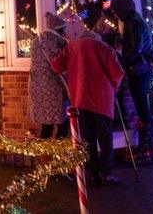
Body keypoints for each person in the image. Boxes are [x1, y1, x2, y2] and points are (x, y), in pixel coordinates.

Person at [51, 13, 125, 186]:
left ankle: (92, 174)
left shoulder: (72, 47)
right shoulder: (104, 48)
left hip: (80, 99)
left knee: (87, 138)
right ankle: (106, 173)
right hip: (102, 99)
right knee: (105, 137)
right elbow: (118, 73)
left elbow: (56, 66)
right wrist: (115, 88)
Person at [113, 0, 153, 162]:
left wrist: (122, 63)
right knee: (143, 108)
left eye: (116, 12)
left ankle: (144, 149)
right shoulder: (138, 20)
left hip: (138, 70)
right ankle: (149, 148)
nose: (115, 16)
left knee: (142, 109)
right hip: (144, 69)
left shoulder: (133, 23)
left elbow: (136, 47)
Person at [28, 12, 70, 139]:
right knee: (63, 122)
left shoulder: (37, 41)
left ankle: (45, 156)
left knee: (47, 125)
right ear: (58, 29)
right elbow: (60, 64)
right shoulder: (55, 42)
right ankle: (58, 155)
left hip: (38, 88)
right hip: (53, 88)